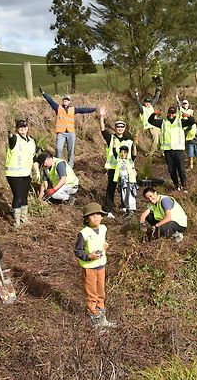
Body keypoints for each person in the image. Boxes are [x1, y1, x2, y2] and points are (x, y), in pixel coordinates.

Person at [74, 202, 115, 330]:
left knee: (101, 292)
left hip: (101, 265)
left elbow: (101, 241)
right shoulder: (83, 233)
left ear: (102, 216)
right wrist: (89, 256)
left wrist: (104, 246)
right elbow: (78, 251)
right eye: (92, 215)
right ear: (86, 219)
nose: (96, 217)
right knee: (92, 294)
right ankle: (95, 321)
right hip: (89, 268)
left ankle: (102, 318)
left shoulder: (103, 228)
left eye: (98, 214)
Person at [38, 87, 96, 168]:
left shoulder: (73, 109)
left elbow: (83, 110)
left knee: (70, 150)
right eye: (64, 99)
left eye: (67, 100)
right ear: (62, 100)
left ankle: (70, 166)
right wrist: (44, 93)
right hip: (61, 133)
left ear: (69, 101)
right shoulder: (58, 108)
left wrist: (94, 109)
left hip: (71, 133)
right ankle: (57, 164)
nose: (66, 101)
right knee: (58, 149)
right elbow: (50, 101)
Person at [99, 107, 136, 218]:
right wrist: (101, 117)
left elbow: (131, 157)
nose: (120, 128)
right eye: (118, 127)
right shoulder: (111, 138)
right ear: (115, 128)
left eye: (122, 127)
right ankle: (109, 209)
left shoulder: (128, 141)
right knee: (111, 188)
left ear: (124, 128)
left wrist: (133, 168)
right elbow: (103, 130)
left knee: (125, 187)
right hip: (113, 167)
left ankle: (124, 206)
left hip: (125, 168)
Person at [148, 105, 195, 192]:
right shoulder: (163, 122)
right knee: (171, 170)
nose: (171, 115)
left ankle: (184, 186)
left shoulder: (180, 122)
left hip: (178, 149)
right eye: (170, 113)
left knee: (181, 169)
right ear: (167, 113)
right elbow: (150, 121)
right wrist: (154, 113)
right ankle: (176, 185)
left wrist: (188, 116)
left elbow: (192, 121)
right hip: (167, 150)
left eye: (173, 113)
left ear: (176, 114)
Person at [4, 118, 38, 228]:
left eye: (24, 127)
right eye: (20, 127)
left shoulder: (32, 141)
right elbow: (10, 137)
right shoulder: (15, 139)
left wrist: (36, 170)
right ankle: (17, 221)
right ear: (17, 129)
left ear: (28, 128)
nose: (22, 129)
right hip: (14, 174)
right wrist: (9, 131)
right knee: (18, 196)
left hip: (26, 173)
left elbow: (34, 157)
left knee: (24, 196)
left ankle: (24, 218)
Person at [135, 89, 161, 156]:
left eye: (149, 102)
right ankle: (150, 153)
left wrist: (158, 92)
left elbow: (155, 99)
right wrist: (137, 94)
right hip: (150, 126)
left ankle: (161, 151)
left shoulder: (151, 107)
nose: (148, 103)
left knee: (163, 138)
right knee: (156, 140)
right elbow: (138, 102)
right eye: (146, 102)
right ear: (144, 103)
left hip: (157, 125)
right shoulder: (143, 109)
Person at [114, 146, 138, 217]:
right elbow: (114, 153)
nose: (122, 154)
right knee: (124, 195)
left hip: (129, 180)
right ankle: (127, 209)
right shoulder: (119, 161)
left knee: (129, 195)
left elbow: (134, 155)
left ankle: (131, 210)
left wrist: (134, 146)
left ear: (127, 153)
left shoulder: (130, 161)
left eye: (124, 152)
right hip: (122, 181)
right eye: (121, 152)